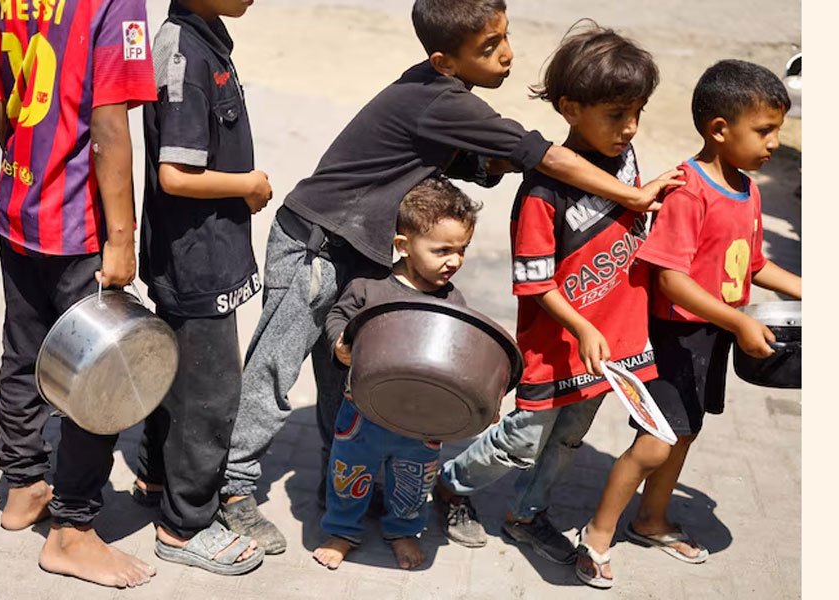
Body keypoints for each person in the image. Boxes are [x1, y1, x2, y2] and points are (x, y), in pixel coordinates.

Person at [217, 0, 684, 552]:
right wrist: (634, 194)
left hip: (358, 254)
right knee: (275, 370)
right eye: (488, 48)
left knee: (343, 381)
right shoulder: (439, 98)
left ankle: (342, 489)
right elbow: (546, 158)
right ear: (444, 61)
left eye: (504, 37)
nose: (507, 54)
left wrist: (493, 163)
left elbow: (466, 159)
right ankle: (232, 491)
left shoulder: (440, 95)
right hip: (315, 249)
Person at [433, 22, 675, 563]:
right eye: (616, 115)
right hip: (558, 346)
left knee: (568, 439)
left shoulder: (628, 166)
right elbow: (535, 282)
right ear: (569, 109)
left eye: (638, 113)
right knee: (522, 440)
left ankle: (526, 516)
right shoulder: (543, 193)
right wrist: (584, 325)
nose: (630, 128)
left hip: (610, 350)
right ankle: (449, 485)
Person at [574, 58, 802, 588]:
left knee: (685, 435)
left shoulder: (747, 189)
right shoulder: (689, 189)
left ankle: (650, 520)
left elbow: (754, 263)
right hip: (671, 337)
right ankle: (596, 537)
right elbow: (671, 282)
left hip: (709, 335)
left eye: (778, 132)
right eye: (764, 131)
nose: (774, 144)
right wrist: (740, 323)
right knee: (654, 443)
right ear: (719, 130)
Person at [0, 0, 158, 588]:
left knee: (22, 350)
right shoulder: (115, 5)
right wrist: (121, 237)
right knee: (98, 377)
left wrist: (28, 168)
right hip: (78, 225)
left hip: (19, 205)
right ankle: (73, 530)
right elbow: (111, 129)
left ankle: (24, 486)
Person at [135, 0, 270, 576]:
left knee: (177, 378)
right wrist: (248, 185)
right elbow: (175, 174)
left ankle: (160, 478)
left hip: (206, 251)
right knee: (209, 396)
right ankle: (184, 525)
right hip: (196, 260)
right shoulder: (184, 54)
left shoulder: (205, 36)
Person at [312, 177, 480, 570]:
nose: (454, 261)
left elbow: (465, 350)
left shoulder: (453, 300)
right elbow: (337, 317)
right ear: (403, 246)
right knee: (348, 476)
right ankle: (342, 531)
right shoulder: (369, 290)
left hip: (422, 421)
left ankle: (402, 530)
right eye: (442, 250)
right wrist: (340, 344)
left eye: (462, 250)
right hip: (362, 414)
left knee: (414, 482)